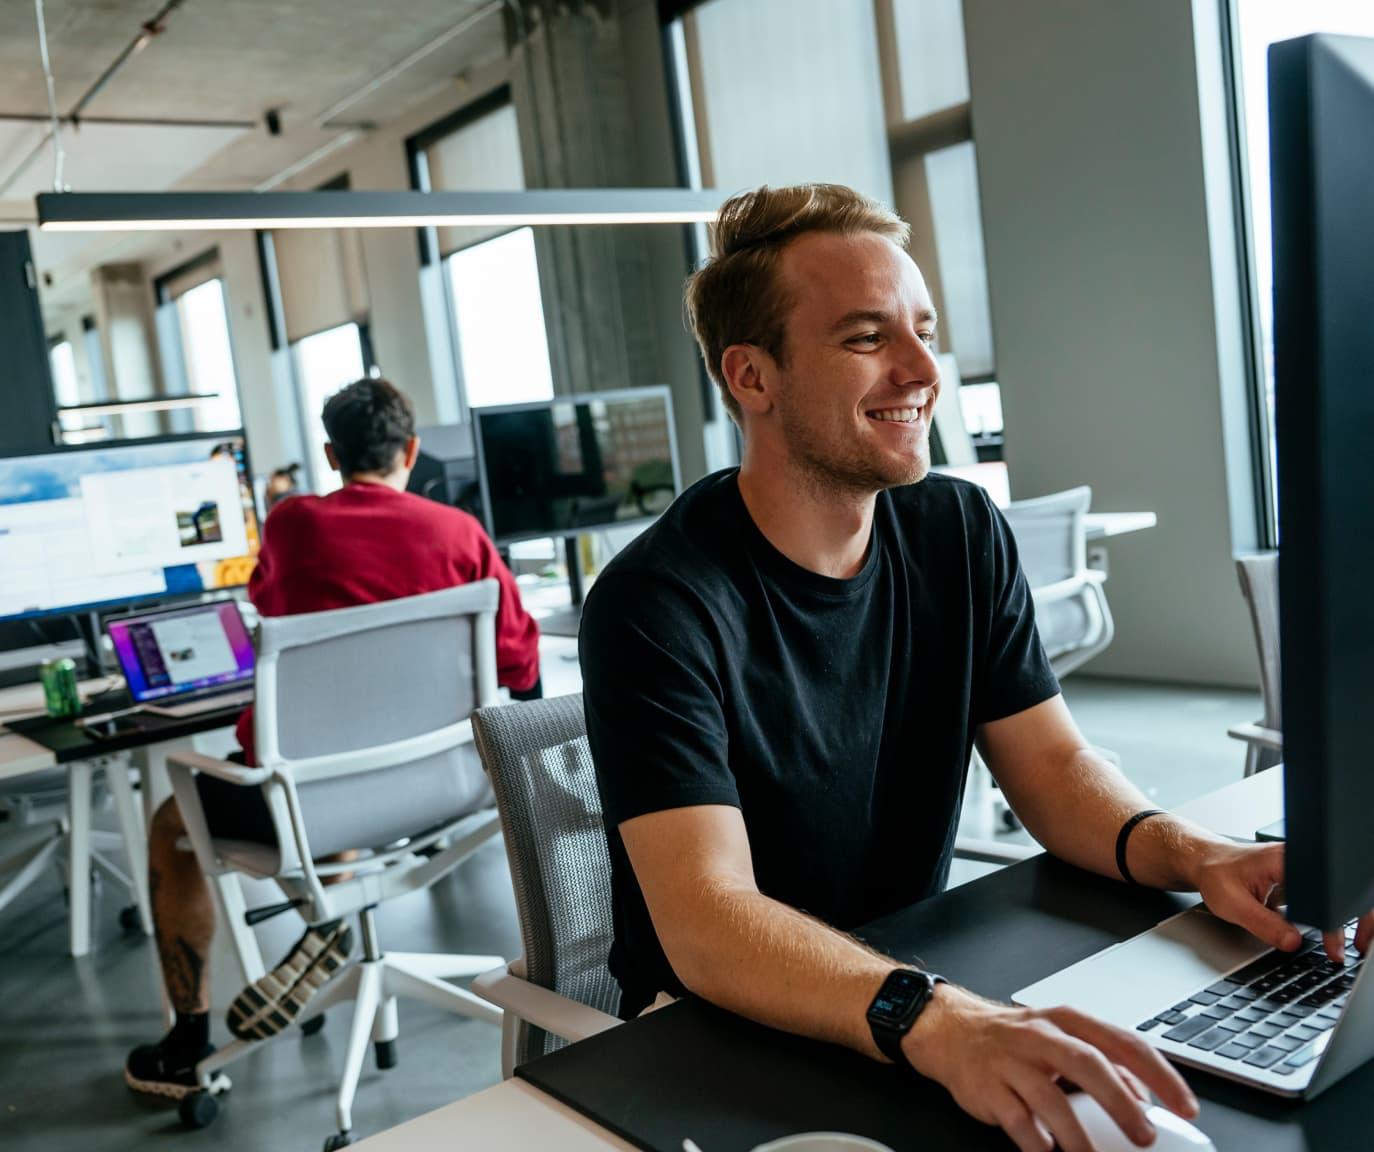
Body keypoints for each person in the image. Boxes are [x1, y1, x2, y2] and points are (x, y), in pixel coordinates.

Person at [579, 184, 1370, 1152]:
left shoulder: (957, 530)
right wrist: (939, 1019)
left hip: (910, 982)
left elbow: (1052, 770)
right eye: (868, 338)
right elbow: (710, 918)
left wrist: (1196, 856)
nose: (922, 371)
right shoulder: (656, 603)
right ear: (753, 376)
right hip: (720, 1041)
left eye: (924, 330)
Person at [125, 377, 541, 1099]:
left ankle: (187, 1043)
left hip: (315, 805)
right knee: (341, 771)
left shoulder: (293, 526)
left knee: (173, 824)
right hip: (448, 790)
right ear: (411, 450)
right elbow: (522, 663)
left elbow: (267, 610)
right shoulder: (460, 534)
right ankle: (334, 919)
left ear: (330, 453)